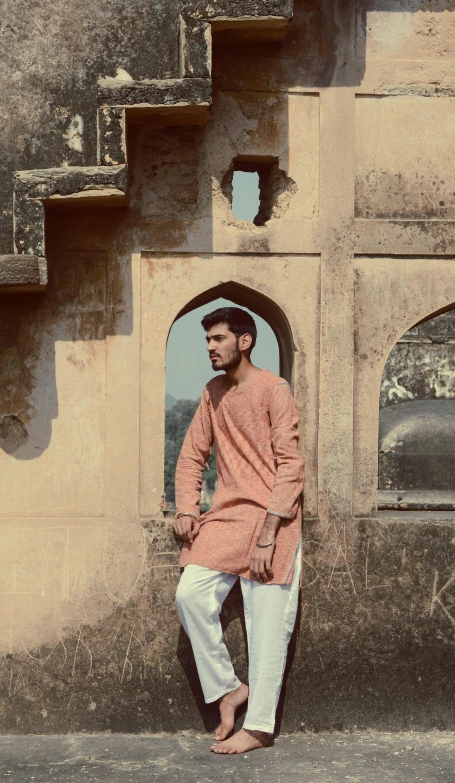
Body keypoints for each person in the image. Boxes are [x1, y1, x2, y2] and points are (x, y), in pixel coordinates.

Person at [173, 306, 305, 754]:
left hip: (274, 520)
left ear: (244, 341)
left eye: (218, 339)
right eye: (208, 340)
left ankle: (260, 728)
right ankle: (229, 689)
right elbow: (193, 456)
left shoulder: (274, 389)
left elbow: (291, 466)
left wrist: (269, 533)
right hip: (228, 517)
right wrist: (187, 508)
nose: (210, 347)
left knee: (268, 623)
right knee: (189, 594)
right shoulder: (213, 392)